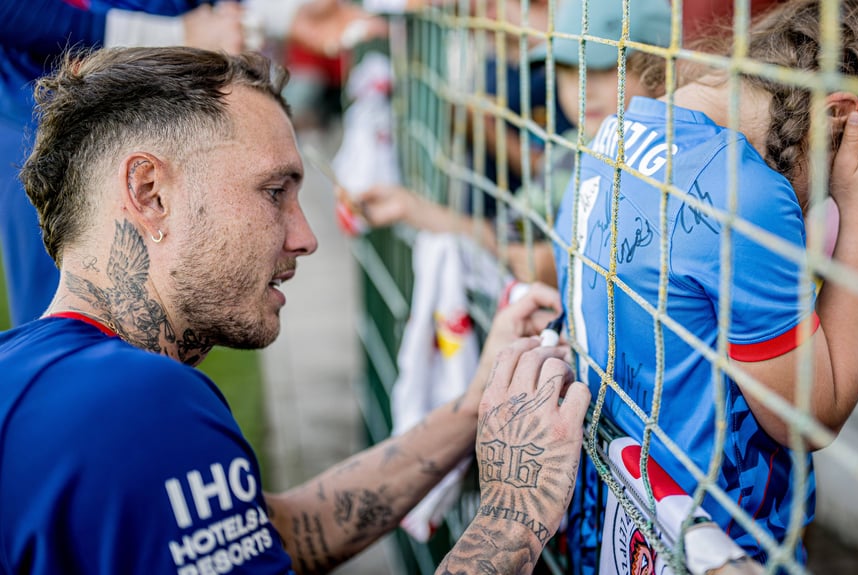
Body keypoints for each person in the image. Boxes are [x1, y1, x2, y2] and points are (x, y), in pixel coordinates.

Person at [0, 46, 589, 574]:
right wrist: (514, 513)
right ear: (151, 192)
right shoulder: (141, 404)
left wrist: (471, 407)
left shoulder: (26, 373)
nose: (305, 236)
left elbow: (276, 531)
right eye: (274, 192)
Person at [552, 0, 858, 571]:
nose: (820, 200)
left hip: (614, 523)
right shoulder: (746, 191)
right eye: (837, 178)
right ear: (838, 116)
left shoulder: (618, 130)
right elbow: (813, 415)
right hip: (715, 546)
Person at [0, 0, 386, 328]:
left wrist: (280, 11)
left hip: (170, 97)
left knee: (176, 320)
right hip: (51, 114)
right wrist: (171, 35)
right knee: (75, 326)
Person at [358, 0, 673, 287]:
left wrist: (566, 265)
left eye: (602, 69)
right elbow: (504, 234)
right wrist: (411, 208)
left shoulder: (689, 162)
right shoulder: (566, 157)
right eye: (566, 71)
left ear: (660, 69)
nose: (581, 90)